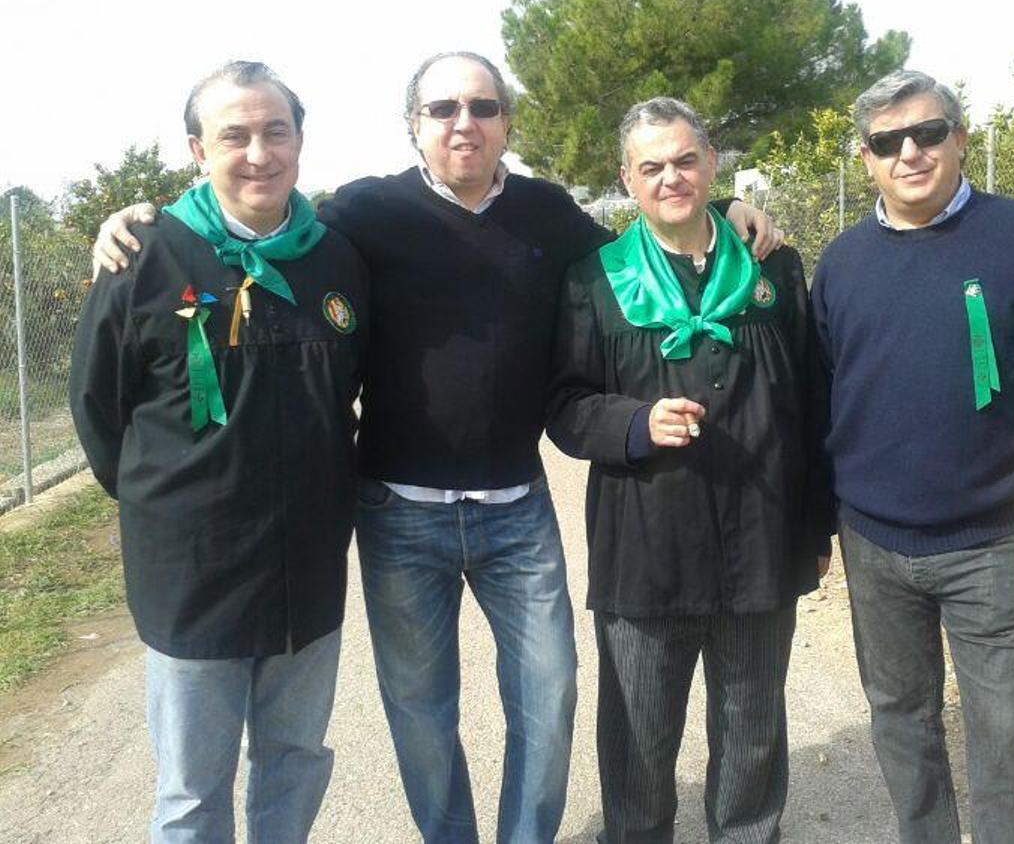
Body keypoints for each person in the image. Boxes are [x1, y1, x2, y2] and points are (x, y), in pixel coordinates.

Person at [89, 51, 783, 844]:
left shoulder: (549, 216)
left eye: (484, 108)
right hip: (398, 515)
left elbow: (654, 233)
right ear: (414, 125)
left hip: (516, 512)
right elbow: (256, 222)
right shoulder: (361, 214)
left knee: (549, 701)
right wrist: (147, 220)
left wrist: (727, 207)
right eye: (444, 109)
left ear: (507, 124)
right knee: (422, 714)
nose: (465, 124)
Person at [809, 69, 1014, 844]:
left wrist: (1010, 454)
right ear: (867, 158)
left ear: (960, 137)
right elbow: (824, 389)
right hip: (874, 545)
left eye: (928, 132)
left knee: (1008, 733)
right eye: (887, 141)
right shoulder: (841, 264)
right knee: (902, 723)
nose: (910, 152)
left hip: (991, 542)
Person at [69, 60, 369, 843]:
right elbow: (98, 408)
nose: (259, 153)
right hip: (191, 571)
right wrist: (167, 499)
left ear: (300, 139)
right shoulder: (140, 256)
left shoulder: (335, 258)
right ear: (198, 150)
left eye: (276, 131)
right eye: (234, 136)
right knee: (193, 791)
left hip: (308, 569)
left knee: (296, 759)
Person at [546, 97, 833, 843]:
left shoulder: (773, 269)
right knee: (638, 741)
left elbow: (811, 400)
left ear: (711, 164)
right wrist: (636, 423)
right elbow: (566, 408)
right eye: (652, 167)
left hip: (760, 538)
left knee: (752, 729)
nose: (670, 177)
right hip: (646, 548)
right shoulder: (593, 281)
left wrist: (815, 525)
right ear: (627, 180)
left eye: (684, 160)